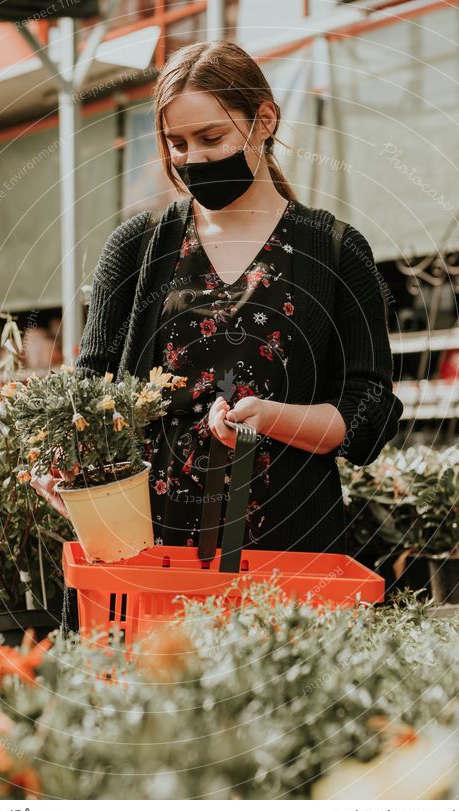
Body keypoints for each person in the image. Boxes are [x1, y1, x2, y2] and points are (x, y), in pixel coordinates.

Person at [31, 39, 403, 555]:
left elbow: (369, 410)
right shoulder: (136, 248)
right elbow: (91, 390)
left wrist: (271, 417)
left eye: (211, 136)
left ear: (264, 119)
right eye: (177, 144)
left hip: (288, 534)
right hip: (147, 538)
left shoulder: (335, 250)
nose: (193, 158)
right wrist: (65, 466)